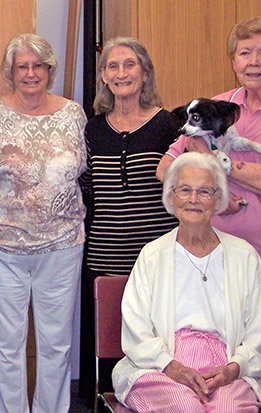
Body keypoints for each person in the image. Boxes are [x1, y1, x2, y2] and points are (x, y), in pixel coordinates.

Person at [156, 16, 261, 412]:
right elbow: (166, 169)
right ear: (233, 60)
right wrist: (209, 178)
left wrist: (216, 162)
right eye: (244, 53)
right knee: (228, 369)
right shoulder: (216, 104)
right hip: (222, 263)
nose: (253, 62)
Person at [0, 33, 87, 413]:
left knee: (56, 343)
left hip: (63, 243)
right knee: (7, 343)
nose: (30, 73)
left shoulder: (73, 113)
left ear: (49, 70)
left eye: (38, 65)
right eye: (22, 66)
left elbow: (82, 171)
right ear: (10, 72)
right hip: (1, 244)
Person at [116, 152, 261, 412]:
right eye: (185, 189)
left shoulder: (243, 254)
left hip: (225, 367)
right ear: (171, 196)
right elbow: (136, 326)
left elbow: (258, 327)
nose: (193, 199)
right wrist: (172, 366)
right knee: (185, 407)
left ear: (219, 199)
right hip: (161, 366)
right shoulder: (152, 255)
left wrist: (234, 367)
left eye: (204, 191)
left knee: (228, 410)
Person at [77, 36, 179, 400]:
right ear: (103, 76)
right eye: (113, 66)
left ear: (146, 72)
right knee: (108, 344)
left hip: (156, 258)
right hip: (103, 256)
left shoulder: (168, 126)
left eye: (130, 64)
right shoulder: (92, 129)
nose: (121, 73)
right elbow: (86, 190)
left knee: (157, 343)